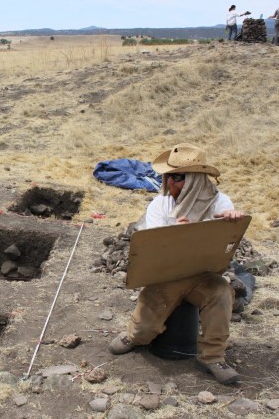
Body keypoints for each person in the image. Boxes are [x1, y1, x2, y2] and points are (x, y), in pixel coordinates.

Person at [108, 143, 245, 385]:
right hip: (166, 274)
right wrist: (176, 234)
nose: (170, 183)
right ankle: (134, 337)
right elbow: (152, 248)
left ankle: (212, 357)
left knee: (221, 292)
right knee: (143, 329)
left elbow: (225, 245)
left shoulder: (219, 202)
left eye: (178, 177)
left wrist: (231, 223)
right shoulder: (160, 205)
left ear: (195, 179)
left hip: (202, 274)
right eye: (168, 176)